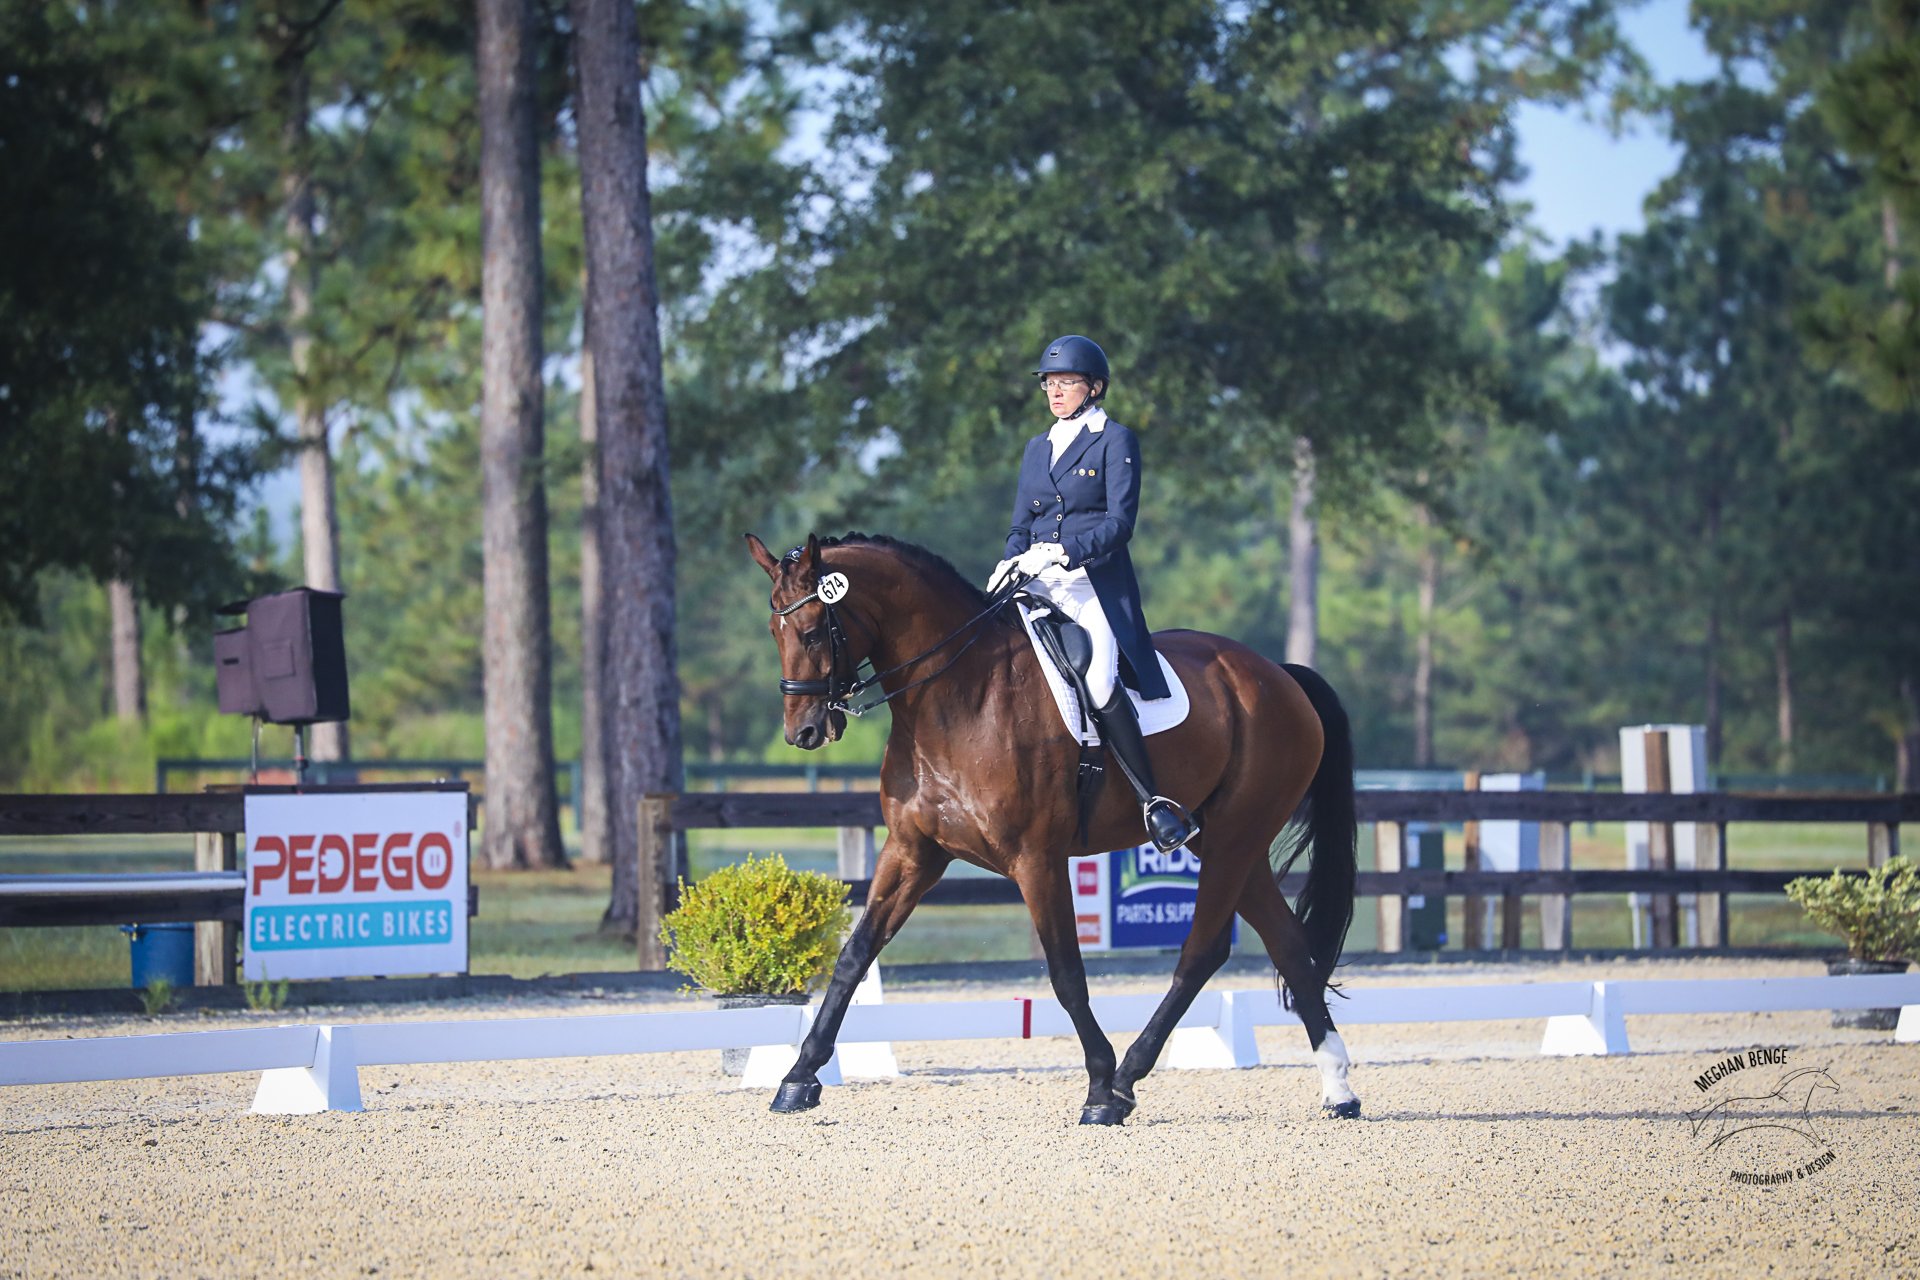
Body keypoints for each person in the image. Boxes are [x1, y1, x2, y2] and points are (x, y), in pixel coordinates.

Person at [991, 335, 1198, 854]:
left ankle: (1153, 802)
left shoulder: (1114, 440)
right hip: (1034, 580)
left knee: (1100, 681)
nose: (1055, 392)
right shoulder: (1037, 447)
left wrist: (1063, 553)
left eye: (1066, 383)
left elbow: (1119, 524)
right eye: (1049, 384)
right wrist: (1013, 557)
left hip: (1090, 585)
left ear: (1093, 387)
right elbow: (1022, 522)